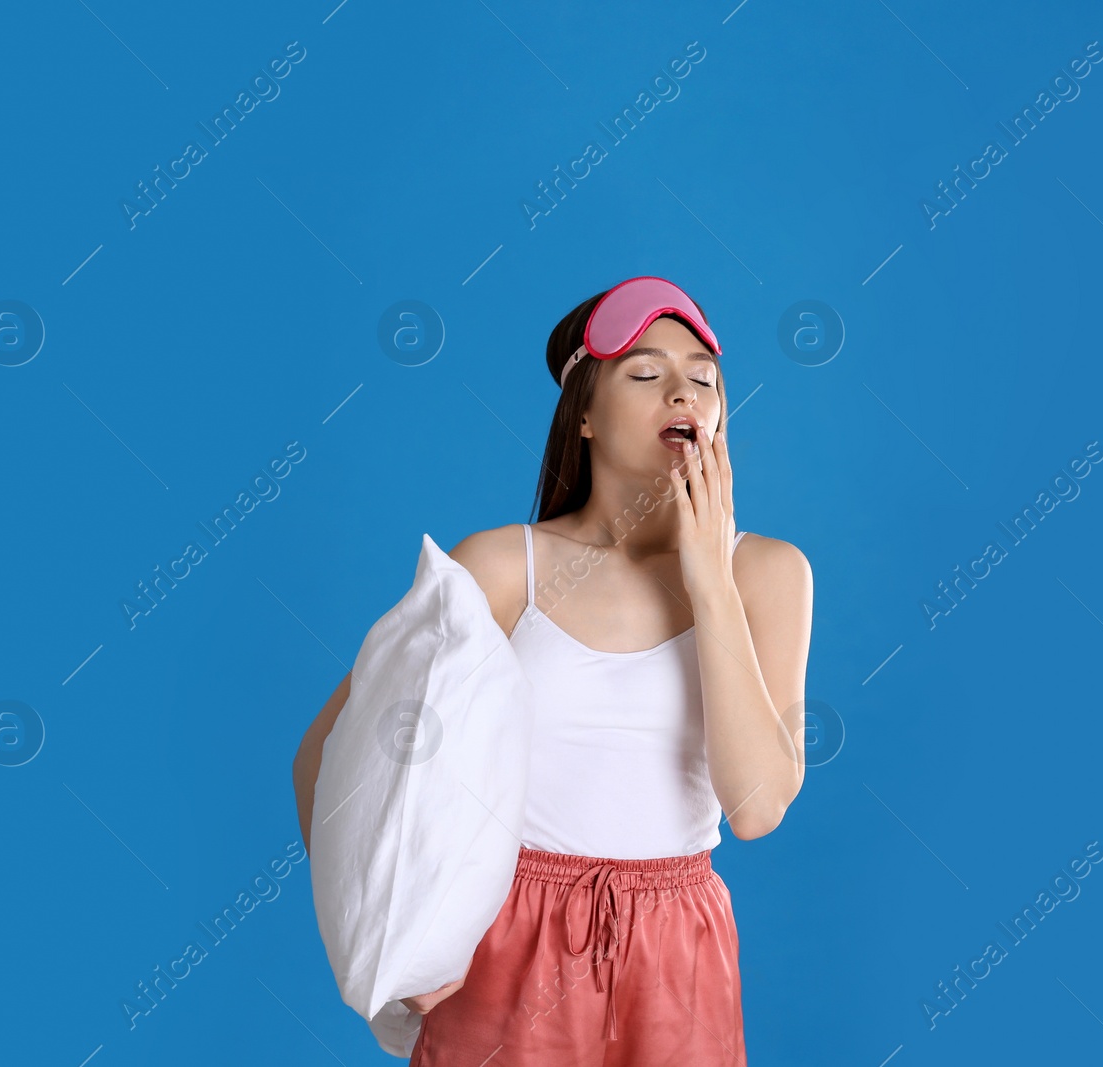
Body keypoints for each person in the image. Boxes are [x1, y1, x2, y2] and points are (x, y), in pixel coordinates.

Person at [292, 276, 813, 1064]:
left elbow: (757, 806)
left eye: (703, 377)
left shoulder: (768, 574)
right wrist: (395, 937)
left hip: (680, 946)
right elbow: (327, 757)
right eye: (645, 373)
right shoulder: (504, 568)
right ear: (587, 418)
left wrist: (709, 575)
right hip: (511, 938)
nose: (683, 390)